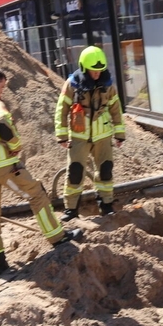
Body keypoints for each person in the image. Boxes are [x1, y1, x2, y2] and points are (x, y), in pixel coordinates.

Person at [0, 67, 81, 276]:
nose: (2, 91)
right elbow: (2, 125)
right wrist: (14, 145)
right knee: (36, 194)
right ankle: (58, 238)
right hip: (3, 165)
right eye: (2, 86)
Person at [55, 46, 125, 220]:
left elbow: (116, 108)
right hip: (79, 136)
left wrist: (119, 133)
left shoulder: (108, 85)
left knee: (105, 170)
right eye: (94, 71)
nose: (97, 74)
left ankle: (106, 205)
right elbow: (61, 110)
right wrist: (62, 136)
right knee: (75, 171)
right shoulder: (72, 84)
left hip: (103, 135)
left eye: (100, 71)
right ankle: (71, 210)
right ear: (84, 67)